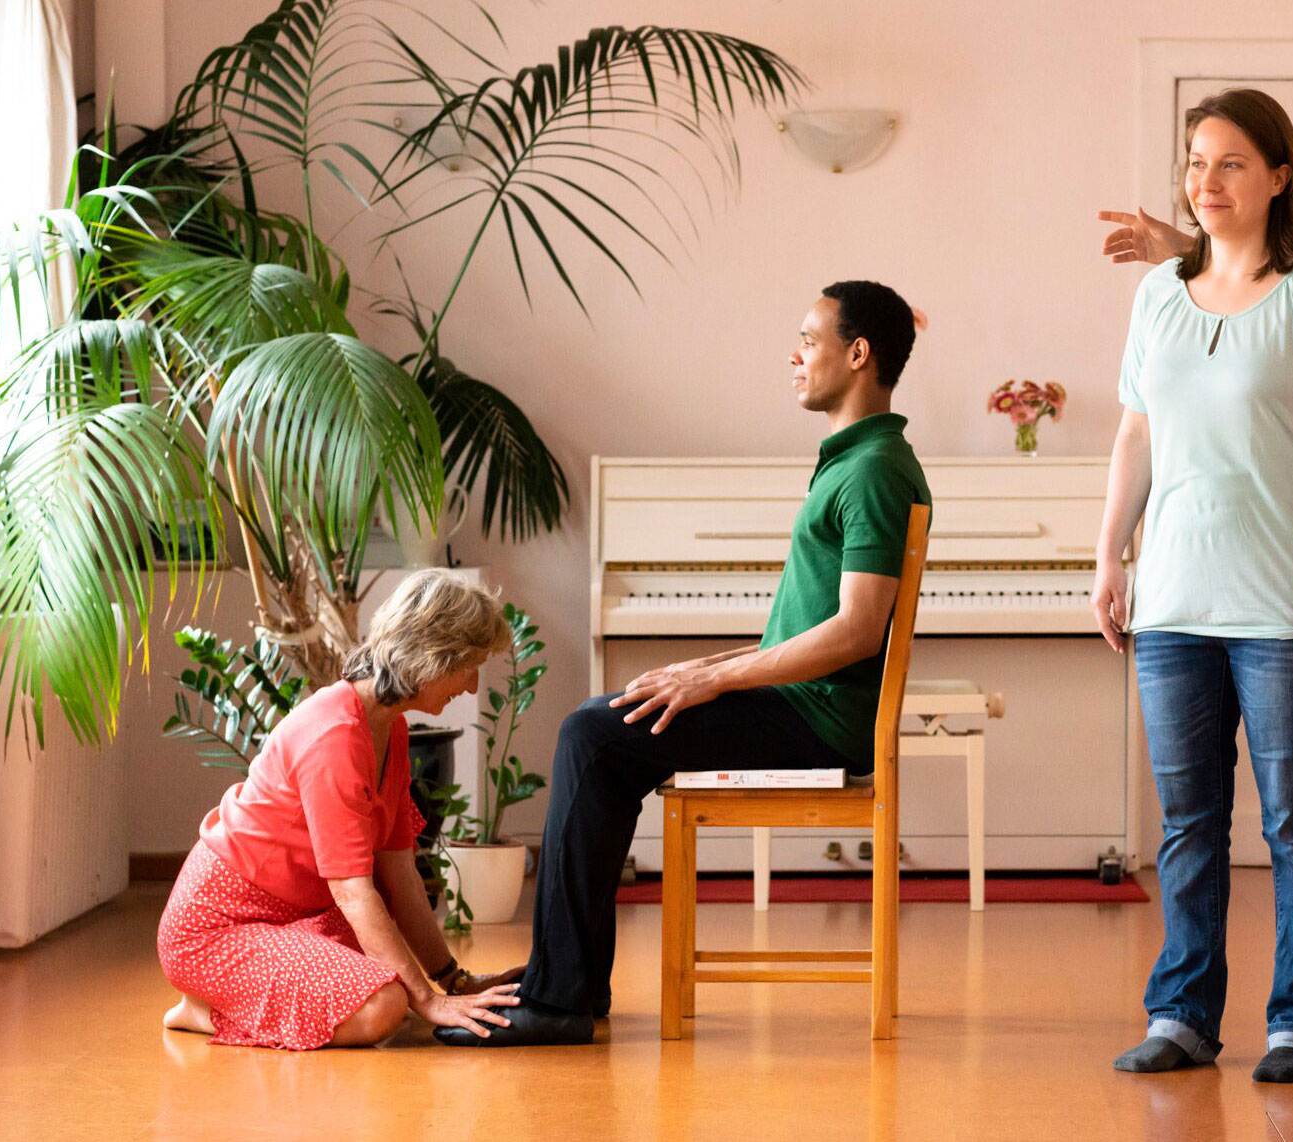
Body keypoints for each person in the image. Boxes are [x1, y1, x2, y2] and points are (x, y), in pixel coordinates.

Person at [440, 280, 931, 1047]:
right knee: (605, 728)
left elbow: (857, 631)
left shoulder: (870, 469)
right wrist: (708, 664)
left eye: (810, 338)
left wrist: (712, 678)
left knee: (593, 737)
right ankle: (563, 987)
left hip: (822, 721)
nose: (794, 355)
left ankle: (560, 997)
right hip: (808, 705)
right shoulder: (858, 459)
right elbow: (808, 628)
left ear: (858, 353)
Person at [1092, 88, 1293, 1084]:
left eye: (1226, 164)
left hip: (1284, 601)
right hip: (1171, 599)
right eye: (1193, 162)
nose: (1202, 182)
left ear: (1276, 175)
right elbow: (1135, 431)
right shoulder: (1157, 295)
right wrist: (1106, 552)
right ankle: (1181, 1013)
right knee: (1185, 823)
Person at [156, 570, 524, 1050]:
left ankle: (250, 999)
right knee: (385, 1006)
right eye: (469, 666)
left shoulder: (390, 728)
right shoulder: (333, 734)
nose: (472, 686)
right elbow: (353, 894)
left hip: (302, 916)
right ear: (434, 656)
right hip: (220, 930)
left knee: (390, 956)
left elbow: (400, 876)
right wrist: (428, 1003)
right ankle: (205, 1010)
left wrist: (453, 981)